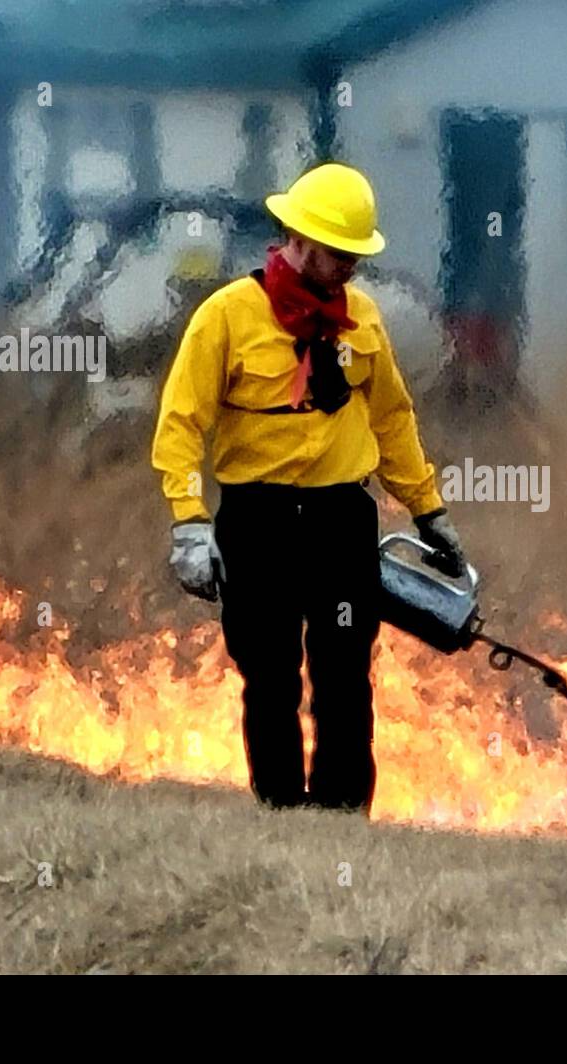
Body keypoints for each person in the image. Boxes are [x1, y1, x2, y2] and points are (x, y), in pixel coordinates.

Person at [151, 162, 465, 814]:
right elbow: (181, 424)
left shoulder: (366, 323)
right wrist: (189, 521)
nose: (350, 266)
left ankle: (343, 813)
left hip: (340, 519)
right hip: (256, 520)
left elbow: (393, 420)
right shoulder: (226, 317)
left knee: (345, 675)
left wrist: (429, 511)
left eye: (357, 255)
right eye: (337, 253)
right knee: (269, 677)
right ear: (296, 240)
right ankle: (281, 809)